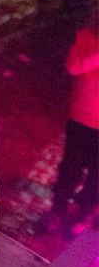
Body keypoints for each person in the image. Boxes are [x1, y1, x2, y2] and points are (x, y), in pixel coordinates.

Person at [45, 20, 99, 236]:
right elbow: (74, 66)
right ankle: (57, 209)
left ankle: (84, 213)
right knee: (70, 169)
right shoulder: (87, 36)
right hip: (81, 119)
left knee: (96, 175)